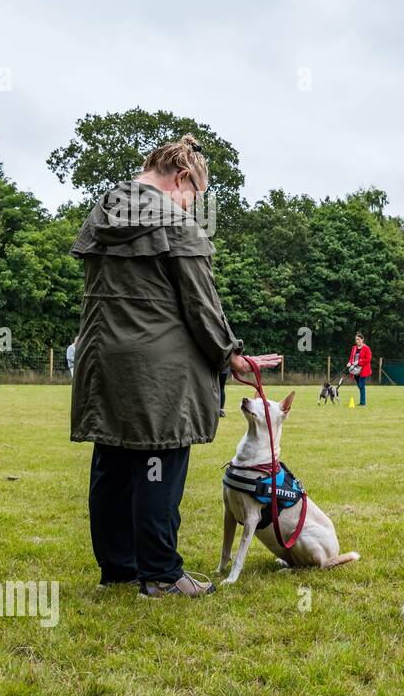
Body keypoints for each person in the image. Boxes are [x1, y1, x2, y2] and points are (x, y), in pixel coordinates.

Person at [70, 134, 281, 598]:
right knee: (159, 460)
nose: (191, 206)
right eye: (193, 196)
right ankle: (161, 574)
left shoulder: (103, 210)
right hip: (158, 372)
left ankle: (119, 569)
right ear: (181, 178)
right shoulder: (175, 223)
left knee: (112, 460)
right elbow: (201, 307)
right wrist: (231, 355)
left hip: (103, 358)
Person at [348, 332, 372, 406]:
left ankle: (362, 403)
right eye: (356, 339)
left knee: (361, 386)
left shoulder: (366, 348)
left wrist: (359, 361)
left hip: (363, 370)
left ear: (362, 339)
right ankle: (362, 401)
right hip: (355, 370)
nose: (357, 341)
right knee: (359, 386)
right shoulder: (354, 348)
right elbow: (351, 357)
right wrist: (349, 363)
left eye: (358, 339)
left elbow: (368, 359)